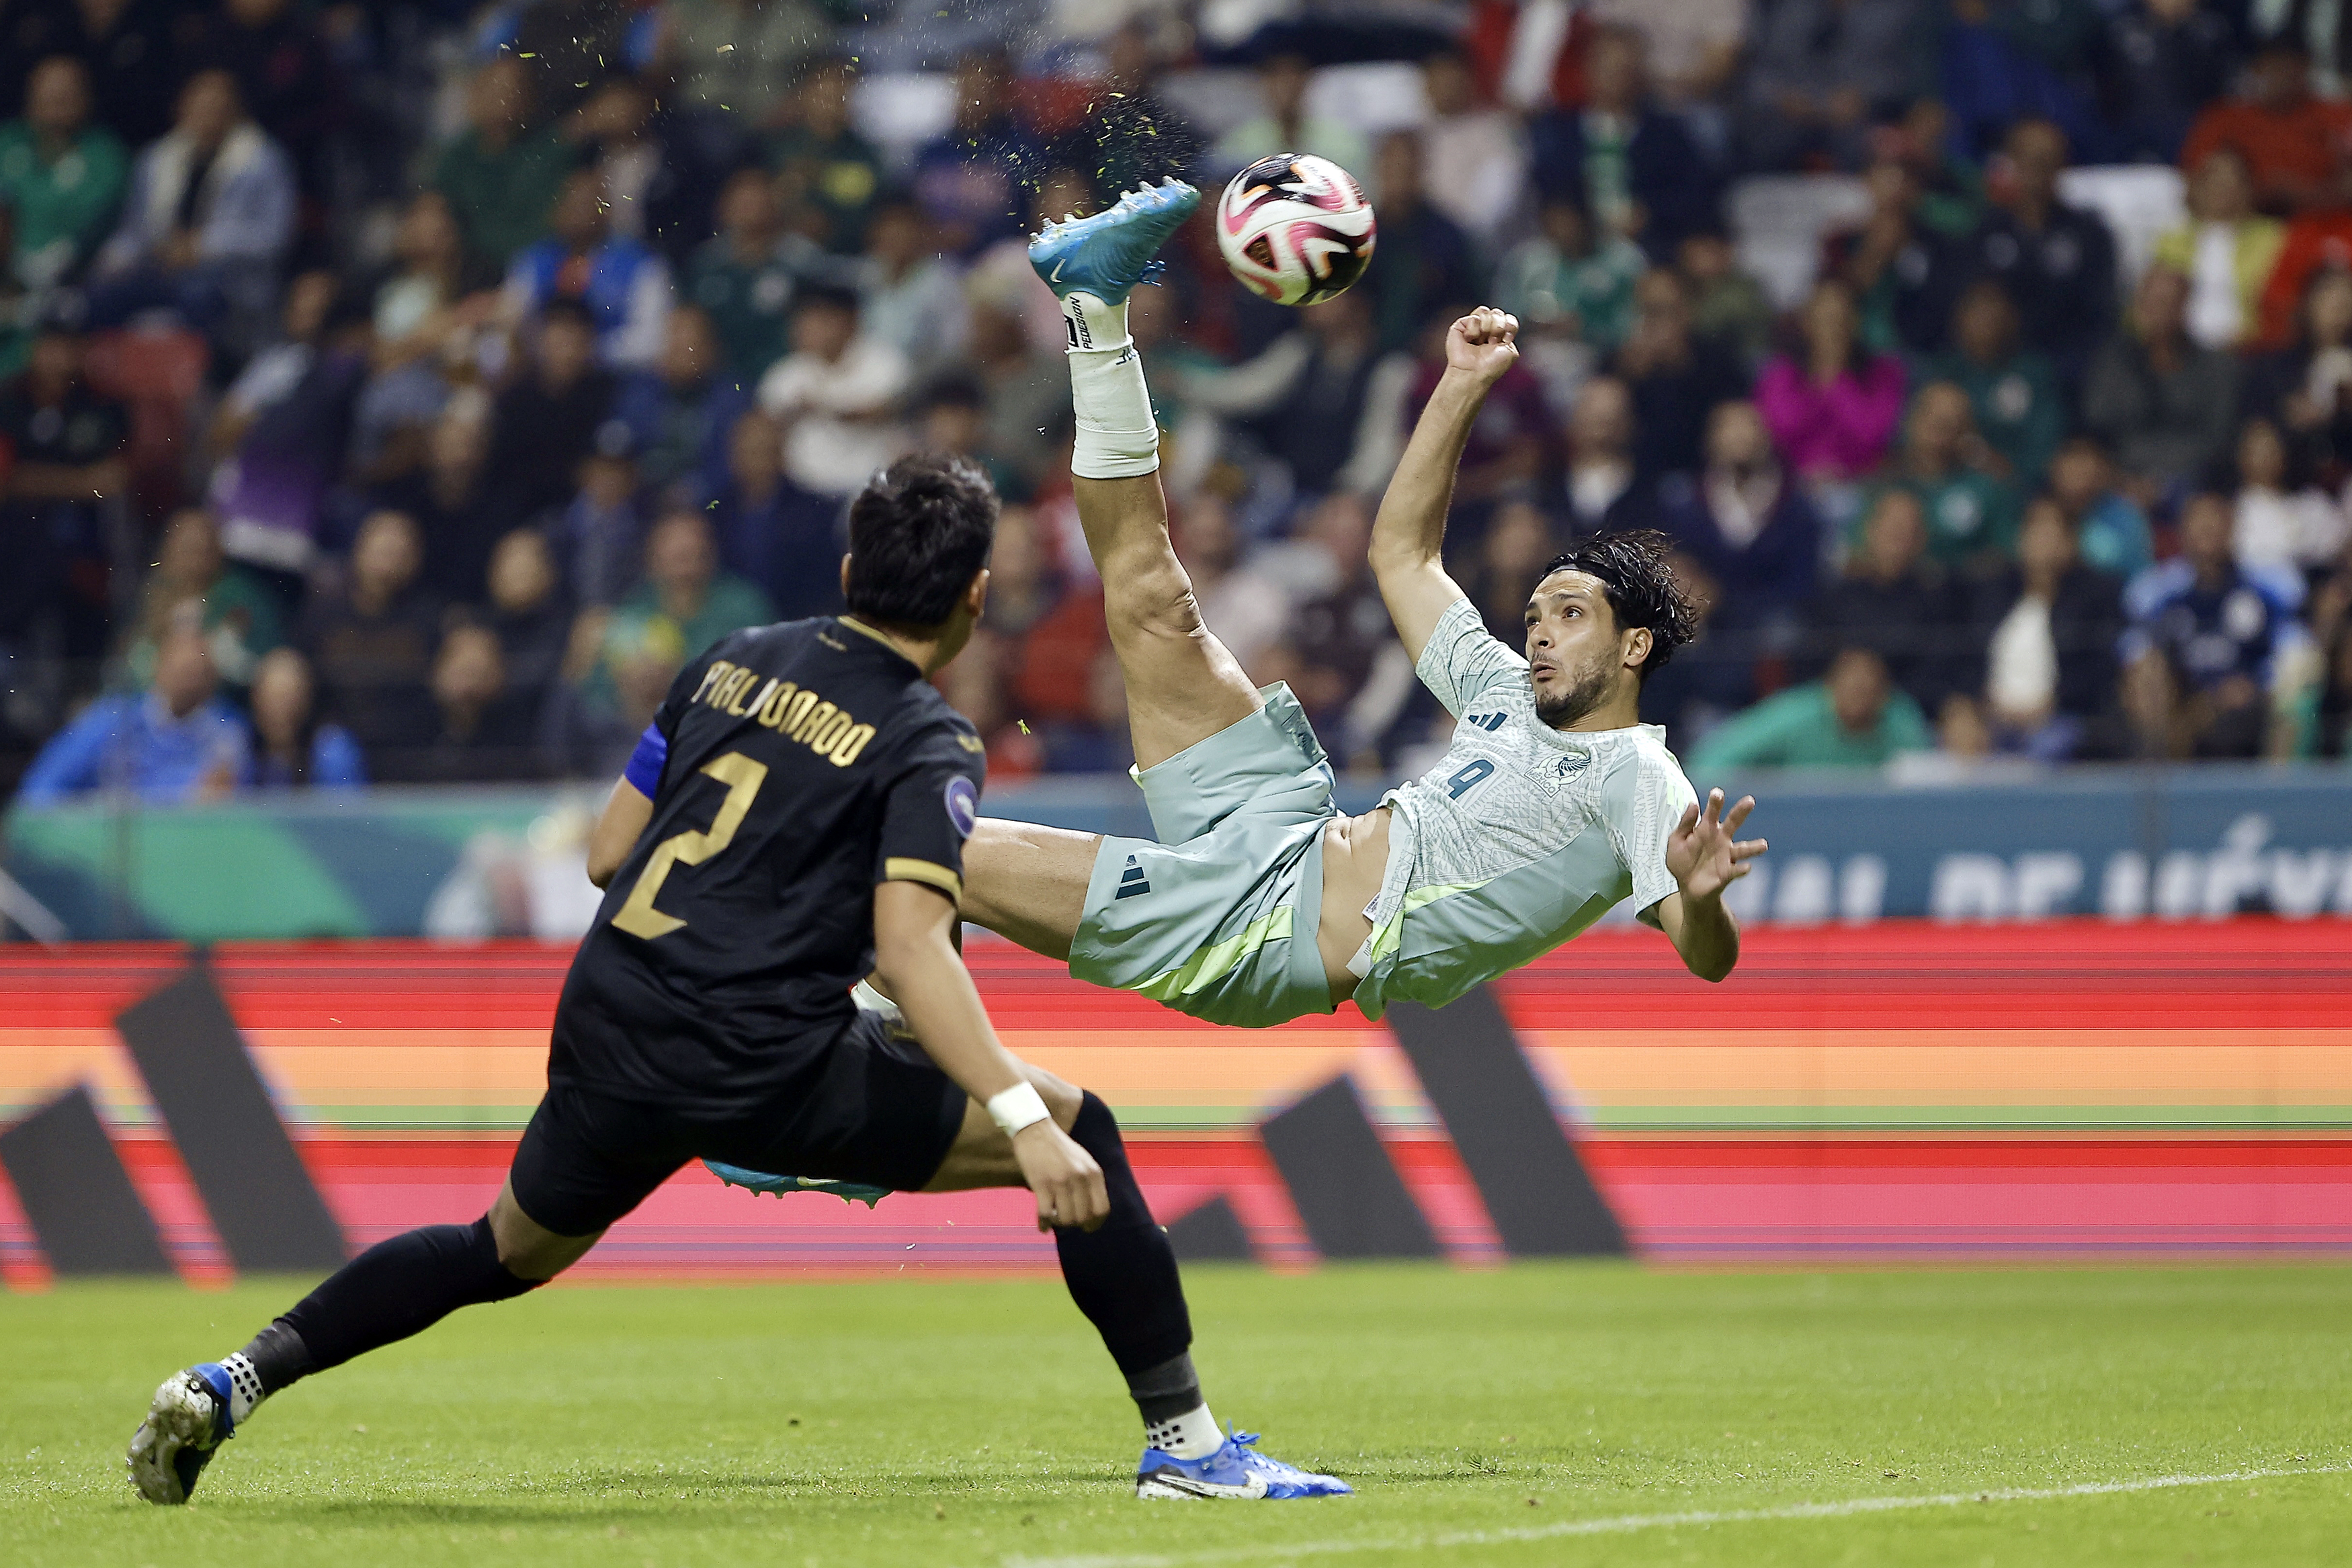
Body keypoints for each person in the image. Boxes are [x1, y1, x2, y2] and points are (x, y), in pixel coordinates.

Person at [127, 451, 1349, 1508]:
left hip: (612, 1021)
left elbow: (611, 852)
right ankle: (1188, 1446)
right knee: (1091, 1125)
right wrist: (1025, 1122)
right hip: (764, 1056)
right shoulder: (929, 738)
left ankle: (232, 1377)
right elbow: (918, 943)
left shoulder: (727, 659)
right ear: (976, 598)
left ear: (846, 569)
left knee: (499, 1247)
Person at [831, 185, 1762, 1034]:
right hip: (1292, 827)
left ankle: (825, 1044)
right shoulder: (1504, 688)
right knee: (1154, 596)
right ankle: (1095, 303)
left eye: (1570, 615)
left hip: (1268, 937)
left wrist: (1703, 895)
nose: (1542, 631)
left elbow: (1700, 952)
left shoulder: (1641, 777)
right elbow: (1402, 551)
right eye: (1537, 616)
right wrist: (1459, 388)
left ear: (1635, 644)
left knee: (926, 836)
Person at [17, 610, 250, 807]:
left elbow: (236, 802)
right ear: (158, 668)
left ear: (213, 678)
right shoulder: (113, 717)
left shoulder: (228, 728)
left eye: (199, 673)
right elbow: (41, 788)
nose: (191, 682)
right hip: (112, 848)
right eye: (183, 671)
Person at [1689, 645, 1933, 771]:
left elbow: (1929, 779)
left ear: (1884, 695)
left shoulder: (1902, 722)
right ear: (1830, 685)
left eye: (1869, 690)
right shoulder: (1793, 716)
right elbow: (1712, 760)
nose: (1860, 698)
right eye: (1852, 688)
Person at [244, 646, 365, 790]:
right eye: (273, 698)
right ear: (256, 699)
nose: (281, 710)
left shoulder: (332, 750)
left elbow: (346, 809)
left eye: (289, 698)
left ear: (307, 700)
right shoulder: (240, 748)